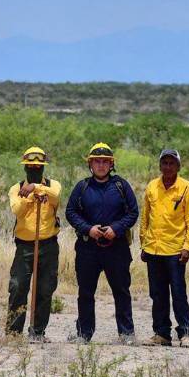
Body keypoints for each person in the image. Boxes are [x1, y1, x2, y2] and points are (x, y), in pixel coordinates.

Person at [65, 142, 140, 344]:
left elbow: (133, 212)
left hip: (117, 248)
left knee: (121, 291)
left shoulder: (121, 186)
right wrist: (88, 229)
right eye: (96, 161)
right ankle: (84, 334)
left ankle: (126, 334)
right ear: (90, 164)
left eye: (105, 162)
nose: (101, 165)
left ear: (111, 164)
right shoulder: (82, 187)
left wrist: (116, 229)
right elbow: (70, 212)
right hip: (87, 248)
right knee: (85, 292)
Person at [139, 149, 189, 346]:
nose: (167, 167)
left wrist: (187, 247)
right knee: (157, 294)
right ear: (160, 165)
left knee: (178, 293)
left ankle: (185, 333)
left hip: (175, 251)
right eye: (164, 163)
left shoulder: (187, 188)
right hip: (153, 249)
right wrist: (144, 244)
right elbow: (145, 218)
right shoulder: (152, 187)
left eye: (171, 163)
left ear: (178, 166)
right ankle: (162, 334)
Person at [6, 147, 62, 342]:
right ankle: (13, 334)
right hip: (24, 246)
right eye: (30, 167)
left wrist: (37, 187)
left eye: (38, 167)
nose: (35, 170)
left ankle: (38, 332)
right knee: (17, 287)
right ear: (25, 168)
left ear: (43, 167)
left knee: (45, 289)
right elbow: (17, 210)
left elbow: (56, 197)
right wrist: (30, 195)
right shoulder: (16, 188)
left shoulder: (53, 185)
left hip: (48, 244)